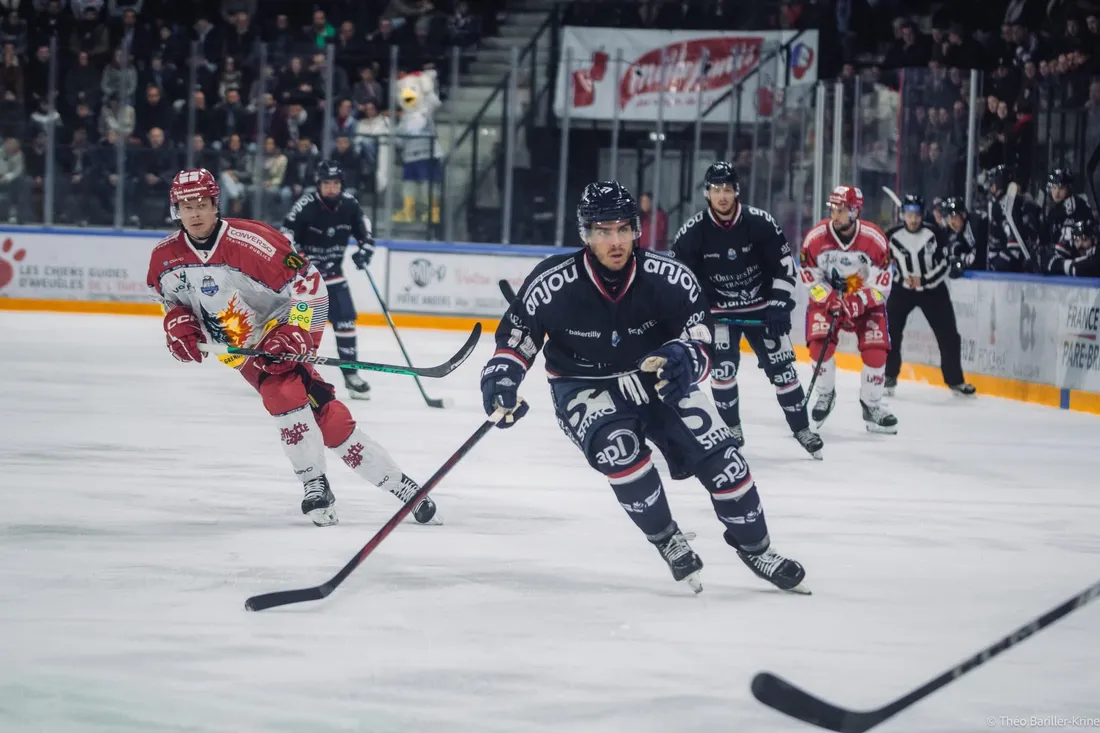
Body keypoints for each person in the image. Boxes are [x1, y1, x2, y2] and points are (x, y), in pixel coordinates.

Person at [478, 181, 808, 595]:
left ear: (636, 229)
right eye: (602, 231)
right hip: (584, 384)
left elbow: (702, 340)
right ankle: (667, 538)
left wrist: (683, 360)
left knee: (727, 462)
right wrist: (501, 378)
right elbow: (517, 339)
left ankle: (756, 548)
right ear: (585, 234)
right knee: (620, 450)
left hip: (657, 379)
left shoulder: (670, 278)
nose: (614, 241)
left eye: (622, 229)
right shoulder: (552, 281)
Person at [146, 168, 439, 527]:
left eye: (201, 205)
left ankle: (315, 484)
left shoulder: (253, 241)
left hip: (280, 328)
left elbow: (309, 284)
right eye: (186, 206)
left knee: (283, 392)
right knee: (324, 413)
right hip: (238, 350)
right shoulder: (164, 257)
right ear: (176, 209)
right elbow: (171, 301)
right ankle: (402, 487)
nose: (194, 214)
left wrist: (296, 332)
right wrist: (179, 324)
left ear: (215, 204)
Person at [671, 161, 822, 458]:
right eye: (716, 190)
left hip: (762, 310)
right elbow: (680, 279)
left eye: (727, 189)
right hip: (719, 313)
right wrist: (693, 315)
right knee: (723, 371)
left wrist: (780, 304)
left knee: (784, 372)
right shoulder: (693, 232)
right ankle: (732, 430)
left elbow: (784, 266)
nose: (722, 196)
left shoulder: (760, 223)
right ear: (707, 194)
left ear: (737, 191)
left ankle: (802, 429)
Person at [800, 185, 898, 434]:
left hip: (864, 303)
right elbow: (809, 277)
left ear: (855, 211)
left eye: (841, 210)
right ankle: (825, 394)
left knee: (876, 353)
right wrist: (829, 298)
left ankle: (871, 405)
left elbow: (883, 282)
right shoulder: (816, 238)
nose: (835, 215)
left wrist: (860, 299)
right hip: (829, 300)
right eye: (832, 209)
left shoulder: (874, 239)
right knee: (819, 345)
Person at [281, 161, 375, 400]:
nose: (332, 188)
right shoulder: (305, 206)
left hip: (334, 277)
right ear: (319, 184)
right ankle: (292, 374)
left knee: (345, 323)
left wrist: (365, 250)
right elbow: (286, 236)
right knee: (300, 330)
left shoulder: (350, 205)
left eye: (336, 184)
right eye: (327, 183)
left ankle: (351, 375)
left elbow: (365, 231)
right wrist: (300, 262)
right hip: (306, 283)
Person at [884, 194, 976, 397]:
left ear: (922, 214)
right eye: (909, 214)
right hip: (902, 290)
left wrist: (923, 280)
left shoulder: (935, 233)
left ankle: (956, 381)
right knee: (890, 332)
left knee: (949, 335)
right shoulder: (891, 235)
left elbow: (945, 264)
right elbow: (881, 261)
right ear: (903, 214)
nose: (913, 219)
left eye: (916, 215)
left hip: (933, 290)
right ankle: (888, 376)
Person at [983, 164, 1041, 272]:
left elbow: (1030, 233)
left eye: (993, 185)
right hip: (1011, 253)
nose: (991, 189)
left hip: (1022, 255)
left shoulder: (1024, 204)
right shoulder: (998, 206)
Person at [1041, 168, 1093, 256]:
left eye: (1061, 188)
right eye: (1054, 187)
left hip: (1075, 258)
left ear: (1068, 188)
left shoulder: (1078, 205)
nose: (1056, 193)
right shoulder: (1052, 210)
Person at [941, 195, 989, 275]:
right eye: (949, 219)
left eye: (954, 217)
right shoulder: (951, 231)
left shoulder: (977, 224)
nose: (951, 223)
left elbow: (979, 258)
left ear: (963, 215)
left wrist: (963, 259)